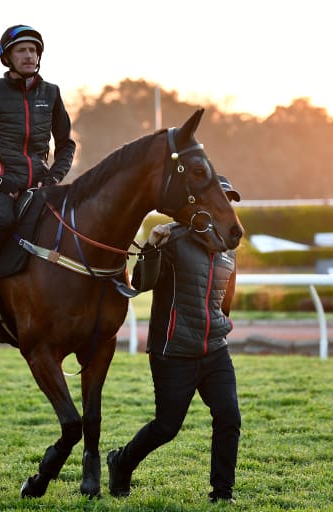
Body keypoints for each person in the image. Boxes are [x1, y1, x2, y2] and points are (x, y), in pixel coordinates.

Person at [107, 175, 242, 504]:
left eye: (230, 202)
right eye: (220, 201)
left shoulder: (229, 251)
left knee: (229, 418)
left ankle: (222, 494)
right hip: (174, 351)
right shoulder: (173, 239)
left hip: (215, 351)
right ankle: (120, 462)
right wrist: (152, 246)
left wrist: (219, 326)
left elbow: (225, 302)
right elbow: (140, 283)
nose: (226, 208)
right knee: (166, 427)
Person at [0, 24, 76, 315]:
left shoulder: (52, 93)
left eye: (33, 50)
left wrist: (54, 177)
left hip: (41, 187)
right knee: (2, 220)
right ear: (7, 57)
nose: (29, 55)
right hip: (1, 188)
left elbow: (66, 144)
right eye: (22, 50)